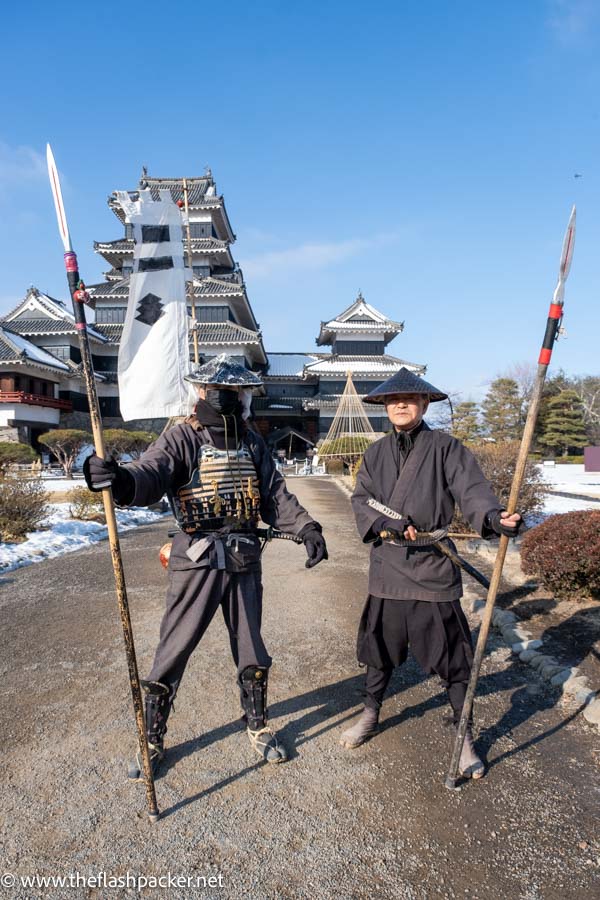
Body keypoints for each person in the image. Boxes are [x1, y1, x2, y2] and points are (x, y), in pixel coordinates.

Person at [84, 355, 327, 775]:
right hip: (195, 557)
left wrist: (307, 528)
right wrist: (121, 480)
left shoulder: (252, 442)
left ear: (245, 394)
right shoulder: (182, 438)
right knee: (173, 648)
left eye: (235, 391)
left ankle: (257, 725)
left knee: (252, 646)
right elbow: (151, 473)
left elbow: (274, 494)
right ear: (200, 391)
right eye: (218, 390)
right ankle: (152, 738)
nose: (226, 397)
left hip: (245, 557)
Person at [340, 368, 521, 779]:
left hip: (432, 565)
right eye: (392, 399)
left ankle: (464, 737)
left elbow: (472, 490)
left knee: (454, 658)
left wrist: (493, 517)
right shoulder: (375, 454)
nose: (400, 405)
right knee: (378, 653)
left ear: (423, 404)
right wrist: (384, 523)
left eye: (409, 399)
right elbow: (362, 498)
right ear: (385, 407)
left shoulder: (447, 449)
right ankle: (370, 713)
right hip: (388, 566)